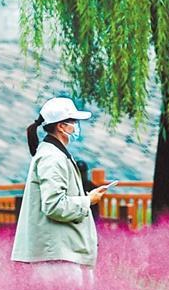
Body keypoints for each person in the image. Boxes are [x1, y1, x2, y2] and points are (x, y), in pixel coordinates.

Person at [11, 96, 108, 280]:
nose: (76, 126)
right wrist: (88, 200)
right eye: (73, 122)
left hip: (62, 254)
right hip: (58, 260)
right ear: (61, 126)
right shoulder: (52, 158)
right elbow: (54, 205)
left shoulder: (54, 154)